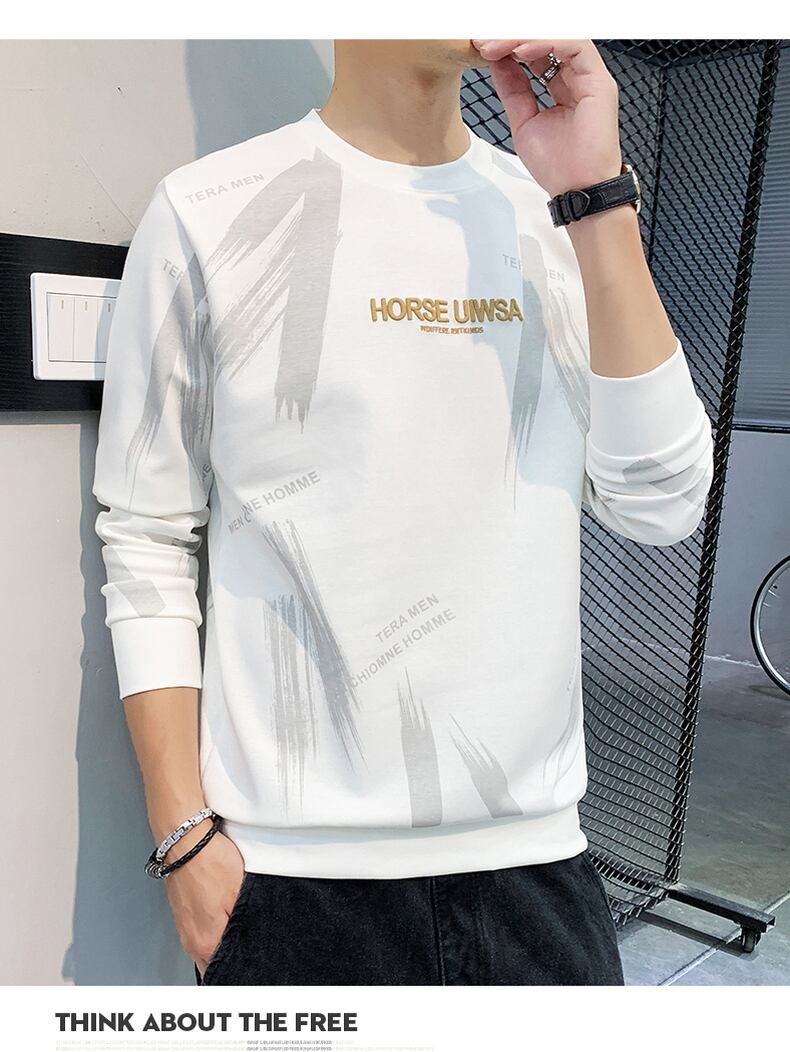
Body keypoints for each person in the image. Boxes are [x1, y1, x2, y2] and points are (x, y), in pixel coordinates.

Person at [92, 38, 714, 986]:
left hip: (539, 871)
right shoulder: (208, 212)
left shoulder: (559, 215)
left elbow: (662, 502)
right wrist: (183, 838)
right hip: (294, 888)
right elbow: (146, 537)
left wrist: (597, 198)